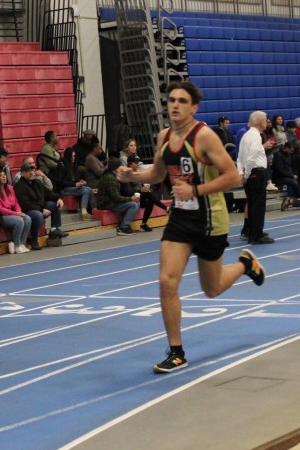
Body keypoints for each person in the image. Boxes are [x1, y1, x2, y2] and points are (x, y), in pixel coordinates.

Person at [115, 81, 265, 374]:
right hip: (181, 219)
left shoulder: (205, 137)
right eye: (171, 100)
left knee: (212, 289)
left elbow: (233, 176)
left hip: (210, 219)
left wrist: (195, 191)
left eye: (182, 101)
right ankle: (176, 352)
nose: (175, 105)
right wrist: (132, 176)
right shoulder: (164, 136)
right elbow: (158, 173)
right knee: (166, 280)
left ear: (194, 107)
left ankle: (245, 265)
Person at [237, 111, 274, 244]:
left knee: (252, 204)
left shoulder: (246, 135)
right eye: (265, 120)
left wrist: (241, 173)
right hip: (256, 173)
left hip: (250, 174)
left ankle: (253, 231)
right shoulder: (256, 136)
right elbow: (251, 158)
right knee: (258, 206)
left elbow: (239, 157)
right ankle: (256, 235)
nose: (266, 122)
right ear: (260, 122)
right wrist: (246, 174)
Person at [14, 160, 68, 241]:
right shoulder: (19, 186)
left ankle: (54, 230)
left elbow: (49, 193)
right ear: (22, 173)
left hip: (39, 207)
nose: (32, 173)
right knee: (38, 215)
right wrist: (41, 210)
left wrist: (59, 198)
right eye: (29, 171)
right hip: (28, 211)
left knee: (55, 204)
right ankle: (34, 239)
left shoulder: (37, 182)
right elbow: (25, 204)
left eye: (33, 170)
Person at [120, 155, 167, 232]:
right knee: (148, 195)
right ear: (130, 164)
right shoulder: (127, 174)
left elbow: (141, 186)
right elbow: (128, 191)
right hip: (130, 197)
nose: (138, 164)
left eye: (138, 162)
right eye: (136, 162)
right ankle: (165, 208)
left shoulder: (138, 173)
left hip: (139, 197)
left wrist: (144, 188)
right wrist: (141, 190)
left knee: (150, 200)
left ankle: (143, 224)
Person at [0, 169, 31, 253]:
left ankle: (22, 243)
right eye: (1, 176)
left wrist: (19, 211)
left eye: (4, 175)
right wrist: (16, 213)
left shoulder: (10, 188)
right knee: (19, 221)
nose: (4, 177)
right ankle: (17, 245)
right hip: (1, 216)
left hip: (13, 213)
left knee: (27, 219)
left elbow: (16, 202)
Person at [96, 160, 140, 236]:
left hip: (111, 202)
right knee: (133, 205)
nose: (122, 168)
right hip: (107, 204)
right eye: (120, 167)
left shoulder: (112, 176)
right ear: (115, 168)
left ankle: (123, 223)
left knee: (136, 203)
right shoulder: (109, 178)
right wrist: (131, 199)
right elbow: (116, 198)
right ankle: (123, 227)